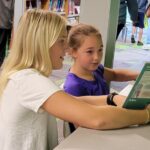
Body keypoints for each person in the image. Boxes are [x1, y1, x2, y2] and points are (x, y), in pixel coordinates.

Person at [0, 9, 150, 150]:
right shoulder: (29, 81)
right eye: (61, 41)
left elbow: (71, 100)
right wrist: (145, 115)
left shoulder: (24, 76)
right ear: (43, 43)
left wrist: (112, 98)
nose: (66, 48)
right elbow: (97, 119)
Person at [64, 23, 139, 97]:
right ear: (73, 52)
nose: (97, 57)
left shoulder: (96, 70)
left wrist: (139, 75)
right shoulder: (73, 87)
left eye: (100, 50)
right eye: (89, 51)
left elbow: (115, 75)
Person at [0, 0, 15, 67]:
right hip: (3, 24)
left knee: (10, 47)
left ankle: (7, 64)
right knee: (2, 47)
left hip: (11, 24)